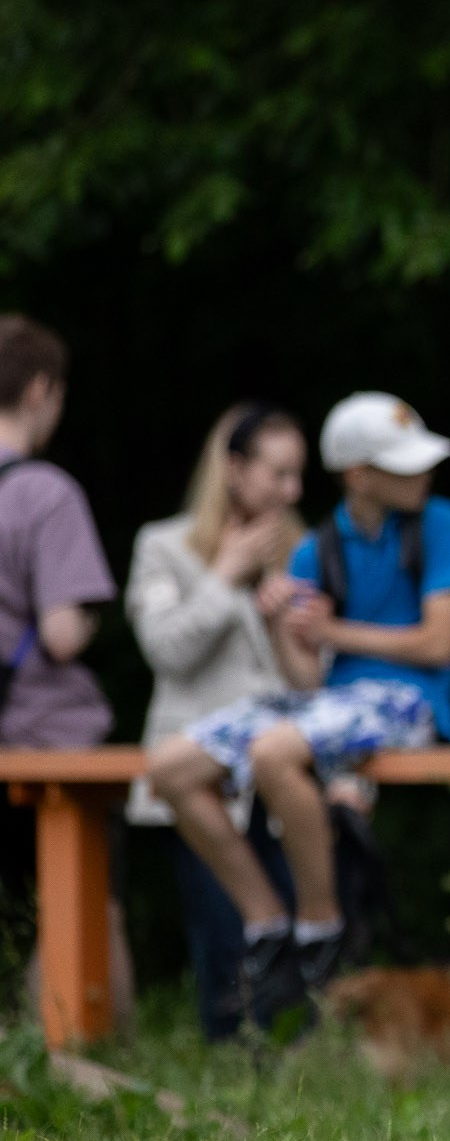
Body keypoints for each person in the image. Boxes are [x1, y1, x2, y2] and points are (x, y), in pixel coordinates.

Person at [146, 391, 450, 1025]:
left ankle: (320, 926)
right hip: (333, 703)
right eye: (405, 465)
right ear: (359, 475)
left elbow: (441, 643)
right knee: (171, 767)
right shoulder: (315, 550)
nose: (424, 474)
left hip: (412, 701)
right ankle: (267, 921)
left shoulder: (440, 521)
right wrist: (279, 626)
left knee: (273, 752)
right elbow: (304, 680)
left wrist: (335, 632)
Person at [126, 404, 315, 1037]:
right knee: (223, 941)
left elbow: (318, 684)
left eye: (298, 477)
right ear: (234, 470)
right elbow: (165, 650)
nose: (291, 492)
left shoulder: (303, 553)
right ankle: (229, 1076)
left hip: (282, 781)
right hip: (203, 790)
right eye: (278, 474)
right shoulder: (164, 546)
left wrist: (283, 616)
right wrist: (225, 575)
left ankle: (304, 1078)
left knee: (300, 937)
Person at [0, 317, 131, 1025]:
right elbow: (60, 634)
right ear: (41, 389)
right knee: (82, 902)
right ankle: (79, 1058)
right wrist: (88, 618)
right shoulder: (43, 491)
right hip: (45, 737)